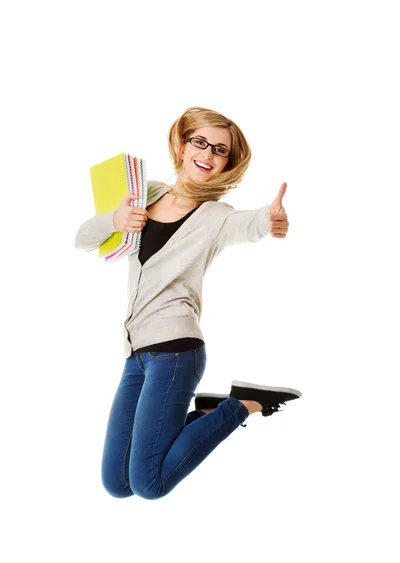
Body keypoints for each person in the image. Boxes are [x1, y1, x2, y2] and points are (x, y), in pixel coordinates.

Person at [75, 106, 300, 501]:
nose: (208, 155)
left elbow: (246, 225)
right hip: (136, 354)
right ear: (182, 146)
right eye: (201, 142)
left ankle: (242, 405)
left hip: (176, 352)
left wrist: (270, 219)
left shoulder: (214, 216)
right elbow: (83, 238)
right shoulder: (145, 194)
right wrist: (116, 219)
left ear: (226, 163)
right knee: (118, 483)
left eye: (220, 150)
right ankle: (209, 413)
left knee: (150, 484)